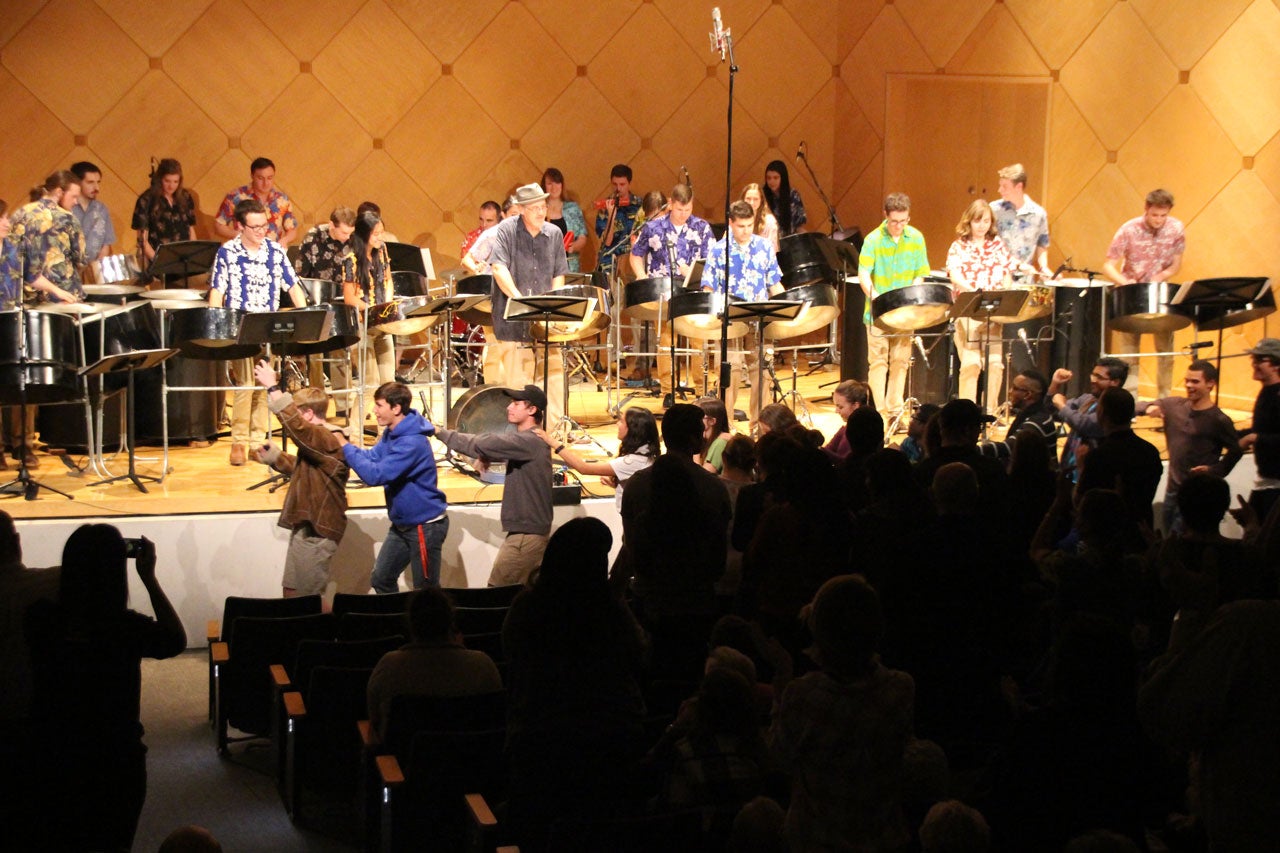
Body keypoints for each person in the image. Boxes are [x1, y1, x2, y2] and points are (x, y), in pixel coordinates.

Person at [24, 525, 185, 852]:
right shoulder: (125, 628)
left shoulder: (40, 620)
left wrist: (79, 570)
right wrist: (149, 578)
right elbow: (174, 640)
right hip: (116, 759)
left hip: (55, 754)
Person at [769, 575, 914, 852]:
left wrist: (780, 689)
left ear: (820, 631)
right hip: (882, 842)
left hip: (815, 842)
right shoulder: (901, 688)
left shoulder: (803, 695)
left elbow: (778, 757)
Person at [618, 403, 731, 675]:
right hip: (697, 600)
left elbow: (630, 545)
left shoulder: (637, 484)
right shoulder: (713, 487)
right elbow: (718, 555)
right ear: (694, 438)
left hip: (651, 599)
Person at [208, 198, 307, 466]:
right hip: (240, 326)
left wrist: (306, 313)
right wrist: (217, 325)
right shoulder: (227, 252)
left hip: (268, 327)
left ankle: (258, 440)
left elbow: (292, 285)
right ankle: (238, 440)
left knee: (265, 384)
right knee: (245, 384)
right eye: (255, 227)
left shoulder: (276, 251)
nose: (261, 231)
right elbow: (217, 291)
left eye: (264, 225)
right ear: (240, 226)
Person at [434, 384, 553, 586]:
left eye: (516, 403)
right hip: (528, 533)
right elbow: (493, 448)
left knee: (496, 592)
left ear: (532, 410)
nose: (509, 407)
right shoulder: (528, 441)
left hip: (525, 538)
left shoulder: (528, 441)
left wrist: (438, 431)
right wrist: (486, 454)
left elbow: (483, 443)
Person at [335, 382, 449, 591]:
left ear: (396, 408)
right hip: (403, 525)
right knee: (381, 579)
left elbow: (375, 475)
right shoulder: (392, 432)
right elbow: (373, 457)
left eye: (379, 405)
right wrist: (348, 448)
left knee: (426, 592)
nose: (374, 411)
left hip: (424, 525)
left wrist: (345, 447)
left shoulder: (411, 442)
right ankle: (396, 622)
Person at [251, 360, 350, 597]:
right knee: (292, 591)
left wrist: (274, 388)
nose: (293, 417)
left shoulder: (328, 438)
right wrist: (276, 458)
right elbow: (308, 470)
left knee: (308, 599)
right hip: (307, 526)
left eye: (297, 411)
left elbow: (297, 429)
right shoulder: (319, 441)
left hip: (318, 529)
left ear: (307, 413)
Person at [365, 587, 503, 739]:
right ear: (450, 622)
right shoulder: (482, 666)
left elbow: (375, 719)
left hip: (401, 761)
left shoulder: (389, 667)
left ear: (411, 624)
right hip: (473, 760)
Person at [488, 183, 570, 427]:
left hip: (545, 321)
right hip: (514, 321)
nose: (540, 212)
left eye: (543, 207)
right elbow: (498, 267)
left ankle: (553, 434)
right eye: (534, 208)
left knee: (553, 378)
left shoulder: (554, 233)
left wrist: (555, 308)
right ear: (522, 209)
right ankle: (520, 438)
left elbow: (558, 273)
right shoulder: (506, 230)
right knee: (520, 385)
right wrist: (519, 300)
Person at [631, 182, 717, 403]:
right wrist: (641, 276)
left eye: (687, 209)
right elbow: (636, 254)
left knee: (698, 341)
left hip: (693, 291)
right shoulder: (653, 227)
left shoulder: (702, 227)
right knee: (666, 341)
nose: (683, 214)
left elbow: (714, 260)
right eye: (679, 209)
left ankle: (702, 390)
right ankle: (668, 390)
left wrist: (695, 270)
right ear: (670, 204)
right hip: (664, 291)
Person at [946, 199, 1033, 409]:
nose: (982, 225)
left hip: (992, 312)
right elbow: (954, 274)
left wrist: (1006, 288)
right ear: (969, 221)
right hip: (968, 311)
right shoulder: (959, 246)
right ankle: (967, 413)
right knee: (971, 364)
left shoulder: (997, 245)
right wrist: (974, 291)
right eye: (977, 221)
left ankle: (990, 413)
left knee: (995, 365)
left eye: (986, 221)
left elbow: (1007, 271)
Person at [704, 200, 785, 423]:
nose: (746, 230)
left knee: (762, 370)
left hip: (758, 317)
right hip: (729, 319)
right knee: (731, 370)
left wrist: (787, 308)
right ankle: (726, 425)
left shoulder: (764, 246)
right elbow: (708, 287)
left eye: (749, 225)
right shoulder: (719, 250)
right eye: (741, 226)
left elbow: (775, 284)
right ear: (730, 223)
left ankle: (759, 426)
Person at [1103, 189, 1186, 398]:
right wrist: (1125, 282)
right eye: (1155, 215)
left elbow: (1176, 265)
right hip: (1132, 294)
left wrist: (1161, 275)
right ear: (1146, 209)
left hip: (1159, 294)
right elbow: (1108, 265)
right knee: (1130, 354)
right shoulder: (1128, 229)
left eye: (1163, 215)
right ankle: (1129, 400)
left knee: (1166, 352)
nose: (1159, 220)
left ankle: (1164, 401)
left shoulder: (1176, 228)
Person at [1141, 360, 1241, 533]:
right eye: (1187, 380)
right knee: (1170, 538)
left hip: (1197, 495)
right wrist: (1150, 406)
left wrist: (1215, 470)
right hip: (1172, 491)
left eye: (1195, 381)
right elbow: (1140, 405)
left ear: (1210, 384)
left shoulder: (1219, 420)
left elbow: (1236, 449)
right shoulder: (1175, 406)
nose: (1188, 385)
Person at [858, 193, 930, 416]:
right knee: (878, 363)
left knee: (900, 362)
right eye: (894, 221)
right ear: (885, 216)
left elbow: (921, 273)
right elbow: (864, 273)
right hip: (878, 313)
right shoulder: (873, 240)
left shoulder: (916, 238)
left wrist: (912, 295)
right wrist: (877, 297)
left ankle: (895, 412)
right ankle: (878, 413)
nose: (898, 226)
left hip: (904, 313)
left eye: (903, 221)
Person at [537, 404, 658, 510]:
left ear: (633, 429)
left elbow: (584, 468)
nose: (617, 423)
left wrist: (552, 442)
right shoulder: (646, 454)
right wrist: (617, 485)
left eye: (621, 421)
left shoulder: (631, 461)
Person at [339, 209, 397, 426]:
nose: (380, 237)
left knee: (389, 384)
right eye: (375, 234)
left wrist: (387, 306)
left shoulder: (382, 251)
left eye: (381, 232)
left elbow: (388, 281)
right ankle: (355, 434)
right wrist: (373, 309)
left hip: (382, 325)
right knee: (369, 384)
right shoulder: (351, 260)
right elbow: (350, 298)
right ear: (363, 235)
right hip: (363, 327)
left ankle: (388, 436)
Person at [1077, 388, 1163, 530]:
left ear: (1102, 413)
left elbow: (1082, 503)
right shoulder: (1150, 451)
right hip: (1141, 531)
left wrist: (1081, 467)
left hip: (1108, 535)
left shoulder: (1099, 456)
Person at [9, 169, 86, 304]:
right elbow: (80, 259)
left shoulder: (20, 213)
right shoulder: (68, 218)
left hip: (27, 296)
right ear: (59, 192)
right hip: (63, 297)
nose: (76, 202)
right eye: (74, 197)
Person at [1049, 356, 1128, 479]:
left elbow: (1085, 424)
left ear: (1115, 382)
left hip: (1090, 478)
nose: (1093, 380)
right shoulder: (1087, 399)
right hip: (1069, 473)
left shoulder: (1114, 408)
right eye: (1093, 375)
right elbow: (1053, 410)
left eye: (1099, 377)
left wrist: (1062, 406)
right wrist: (1055, 384)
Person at [130, 158, 198, 277]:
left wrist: (193, 257)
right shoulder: (146, 200)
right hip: (157, 260)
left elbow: (190, 229)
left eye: (175, 182)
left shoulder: (185, 197)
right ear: (160, 178)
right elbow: (143, 240)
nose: (171, 186)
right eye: (167, 181)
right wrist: (160, 263)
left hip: (183, 260)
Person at [1238, 338, 1280, 523]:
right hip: (1267, 481)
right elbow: (1263, 428)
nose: (1253, 364)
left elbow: (1262, 434)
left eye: (1260, 360)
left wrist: (1257, 438)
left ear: (1276, 364)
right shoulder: (1267, 392)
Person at [214, 156, 298, 246]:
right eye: (260, 178)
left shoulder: (282, 200)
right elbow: (219, 225)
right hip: (244, 252)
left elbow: (292, 229)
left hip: (272, 253)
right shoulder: (236, 196)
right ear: (252, 176)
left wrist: (285, 240)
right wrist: (237, 235)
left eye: (270, 178)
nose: (266, 183)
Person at [989, 162, 1053, 279]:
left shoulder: (1039, 213)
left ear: (1018, 187)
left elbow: (1042, 244)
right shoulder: (993, 210)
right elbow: (987, 244)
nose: (999, 190)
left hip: (1025, 281)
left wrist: (1043, 267)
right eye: (1000, 185)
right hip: (998, 278)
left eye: (1005, 186)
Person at [594, 163, 642, 277]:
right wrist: (611, 215)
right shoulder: (604, 207)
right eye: (615, 184)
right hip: (610, 261)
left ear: (629, 184)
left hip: (632, 259)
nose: (618, 188)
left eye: (622, 184)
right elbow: (607, 241)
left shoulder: (639, 205)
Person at [542, 168, 587, 272]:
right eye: (549, 184)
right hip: (544, 267)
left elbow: (582, 236)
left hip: (569, 265)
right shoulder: (539, 209)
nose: (554, 187)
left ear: (562, 185)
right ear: (544, 186)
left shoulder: (573, 208)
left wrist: (573, 246)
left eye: (557, 183)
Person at [68, 160, 114, 262]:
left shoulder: (102, 209)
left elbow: (106, 245)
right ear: (77, 183)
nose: (96, 188)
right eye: (90, 182)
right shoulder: (66, 209)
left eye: (98, 182)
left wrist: (95, 268)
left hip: (94, 270)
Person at [297, 205, 356, 283]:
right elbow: (301, 276)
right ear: (331, 225)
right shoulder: (312, 238)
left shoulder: (355, 238)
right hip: (317, 291)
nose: (348, 237)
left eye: (350, 232)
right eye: (344, 233)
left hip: (347, 291)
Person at [823, 379, 872, 461]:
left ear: (855, 406)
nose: (836, 411)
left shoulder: (863, 432)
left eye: (840, 407)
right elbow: (829, 448)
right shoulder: (846, 428)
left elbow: (848, 463)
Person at [762, 160, 806, 238]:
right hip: (767, 241)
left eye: (775, 178)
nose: (772, 181)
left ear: (783, 178)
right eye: (769, 178)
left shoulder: (793, 195)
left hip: (789, 242)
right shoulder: (762, 195)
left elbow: (799, 226)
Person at [699, 397, 732, 474]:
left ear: (711, 421)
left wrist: (694, 449)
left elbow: (702, 477)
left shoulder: (720, 442)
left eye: (697, 416)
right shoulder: (706, 440)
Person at [742, 182, 779, 252]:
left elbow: (772, 250)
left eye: (755, 199)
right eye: (748, 199)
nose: (751, 203)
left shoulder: (769, 221)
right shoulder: (736, 219)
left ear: (761, 200)